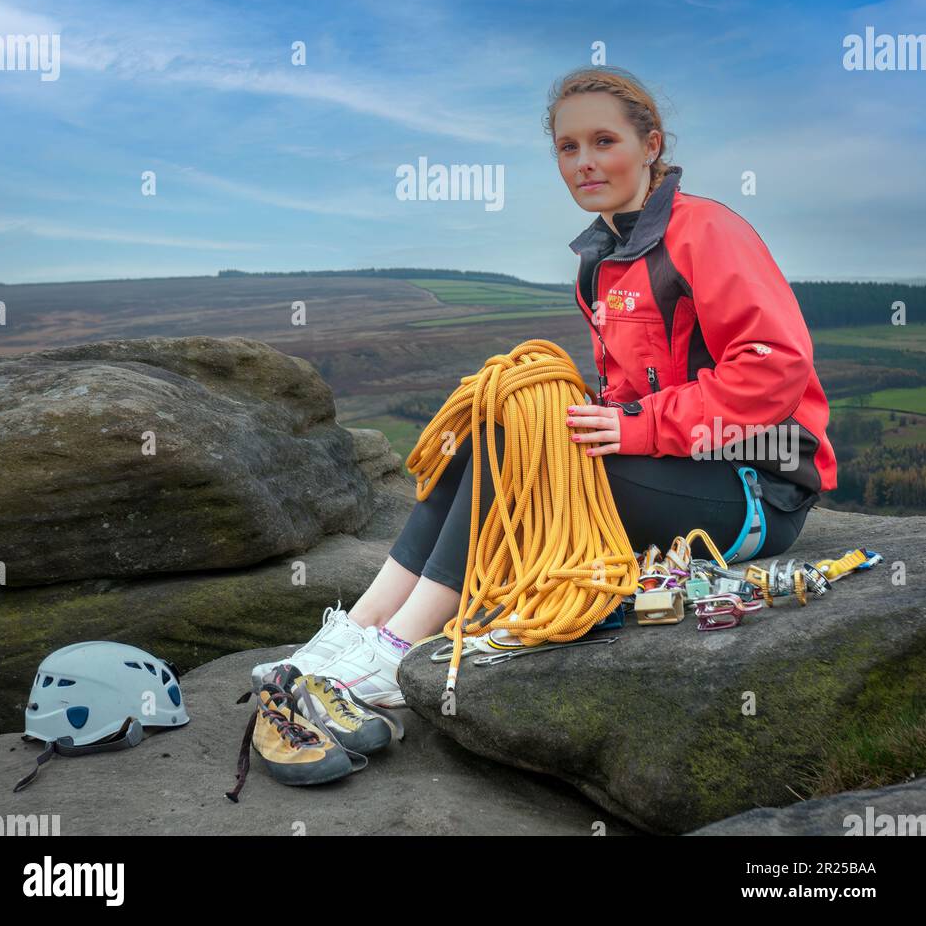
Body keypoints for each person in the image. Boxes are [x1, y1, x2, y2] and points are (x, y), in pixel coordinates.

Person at [282, 67, 837, 708]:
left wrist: (641, 425)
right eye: (568, 148)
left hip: (752, 489)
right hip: (674, 470)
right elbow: (628, 389)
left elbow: (774, 365)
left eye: (604, 141)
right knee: (496, 423)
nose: (584, 162)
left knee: (523, 450)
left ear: (651, 145)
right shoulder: (599, 259)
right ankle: (357, 628)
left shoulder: (705, 232)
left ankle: (401, 646)